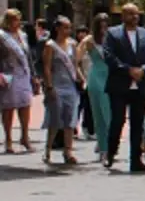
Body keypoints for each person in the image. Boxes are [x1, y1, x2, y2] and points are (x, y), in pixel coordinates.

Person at [102, 3, 145, 172]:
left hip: (140, 85)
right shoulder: (113, 33)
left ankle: (136, 159)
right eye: (131, 14)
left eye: (137, 14)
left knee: (138, 123)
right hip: (119, 84)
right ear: (123, 15)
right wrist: (128, 70)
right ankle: (110, 153)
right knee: (117, 120)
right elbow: (109, 56)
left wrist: (143, 70)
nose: (135, 17)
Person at [41, 17, 81, 165]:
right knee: (55, 118)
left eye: (69, 28)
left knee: (70, 119)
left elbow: (75, 65)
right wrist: (49, 86)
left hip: (70, 85)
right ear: (57, 28)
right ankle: (48, 149)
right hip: (57, 85)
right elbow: (47, 67)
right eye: (65, 28)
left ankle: (68, 151)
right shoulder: (50, 45)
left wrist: (81, 78)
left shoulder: (73, 44)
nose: (68, 31)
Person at [0, 9, 36, 153]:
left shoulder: (23, 36)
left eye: (19, 19)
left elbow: (28, 57)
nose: (18, 22)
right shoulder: (2, 37)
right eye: (15, 19)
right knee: (9, 108)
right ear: (7, 21)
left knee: (25, 105)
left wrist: (34, 76)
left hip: (23, 74)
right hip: (8, 73)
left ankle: (25, 137)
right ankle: (8, 140)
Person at [78, 15, 112, 161]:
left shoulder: (113, 38)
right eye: (101, 25)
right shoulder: (89, 40)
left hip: (111, 77)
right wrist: (81, 77)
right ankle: (104, 148)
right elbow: (76, 59)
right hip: (96, 77)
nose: (104, 28)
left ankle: (109, 144)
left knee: (111, 113)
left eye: (106, 24)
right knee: (99, 114)